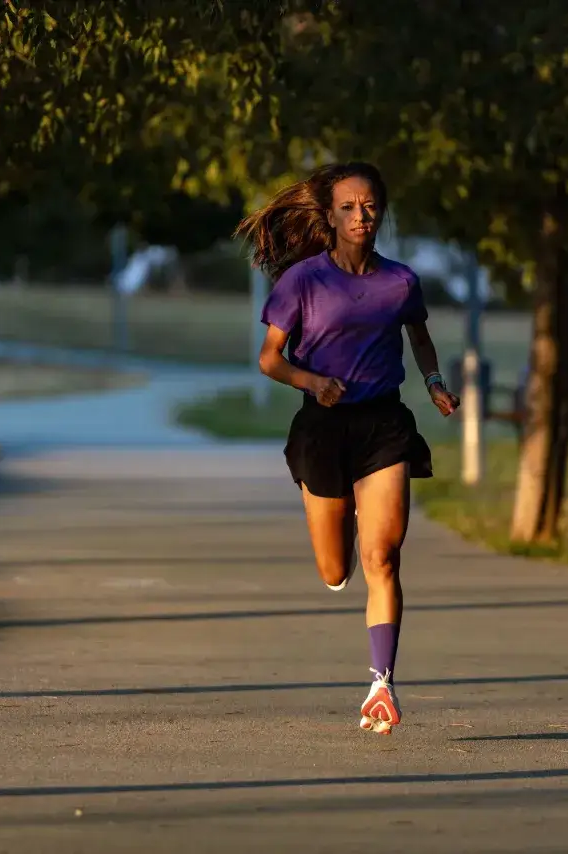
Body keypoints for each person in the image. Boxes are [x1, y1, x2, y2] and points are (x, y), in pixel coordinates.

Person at [234, 161, 459, 735]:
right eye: (349, 208)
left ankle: (381, 684)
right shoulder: (304, 281)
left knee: (383, 557)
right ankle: (345, 537)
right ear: (330, 217)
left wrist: (432, 382)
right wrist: (312, 382)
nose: (362, 216)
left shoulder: (401, 281)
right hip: (324, 427)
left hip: (385, 424)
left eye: (370, 206)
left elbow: (421, 338)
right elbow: (270, 359)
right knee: (337, 569)